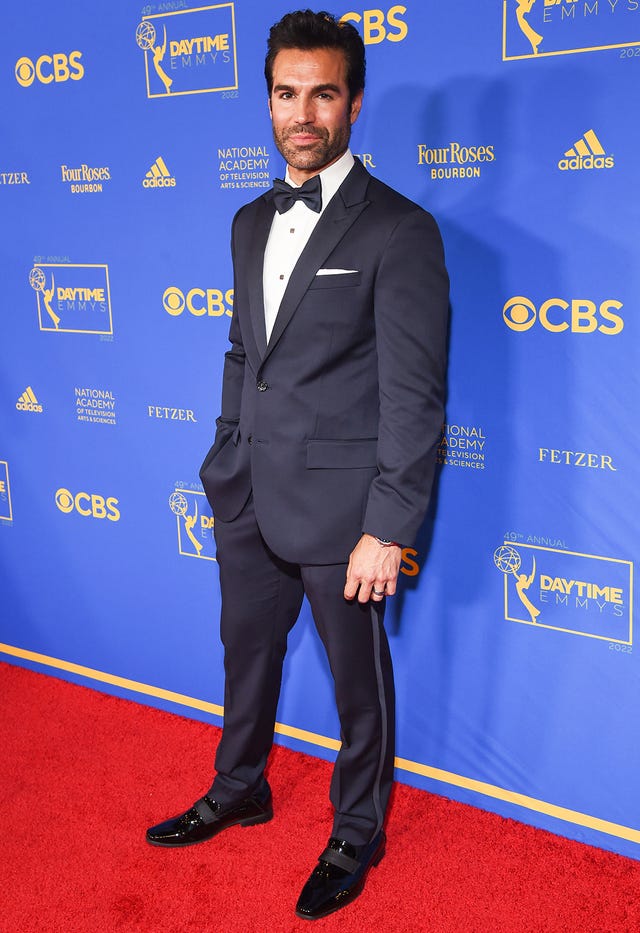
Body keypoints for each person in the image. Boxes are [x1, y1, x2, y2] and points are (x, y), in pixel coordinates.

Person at [147, 9, 448, 920]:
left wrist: (387, 527)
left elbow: (415, 397)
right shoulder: (249, 220)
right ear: (269, 101)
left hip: (343, 511)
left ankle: (357, 830)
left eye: (323, 94)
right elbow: (246, 352)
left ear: (354, 102)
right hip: (247, 492)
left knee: (359, 686)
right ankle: (240, 785)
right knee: (245, 656)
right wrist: (223, 453)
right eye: (287, 94)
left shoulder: (399, 229)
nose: (303, 114)